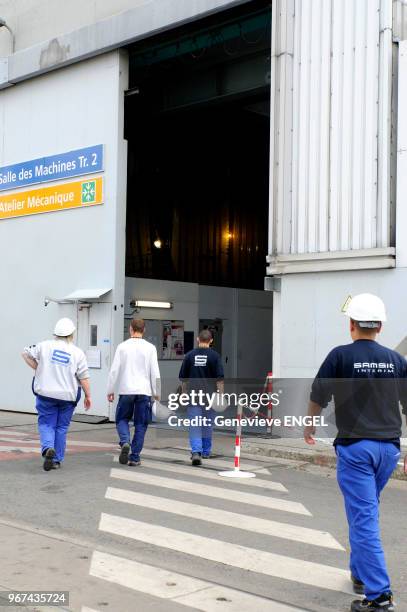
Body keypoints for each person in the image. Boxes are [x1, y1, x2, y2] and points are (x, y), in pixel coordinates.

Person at [304, 294, 407, 612]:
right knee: (365, 511)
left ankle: (379, 596)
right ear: (380, 326)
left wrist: (309, 426)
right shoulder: (396, 360)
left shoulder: (340, 356)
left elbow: (318, 393)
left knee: (364, 518)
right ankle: (360, 573)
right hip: (388, 449)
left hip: (356, 449)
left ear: (351, 325)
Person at [22, 318, 91, 471]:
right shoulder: (77, 353)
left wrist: (38, 368)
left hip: (46, 394)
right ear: (71, 334)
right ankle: (56, 460)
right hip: (68, 397)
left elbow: (25, 353)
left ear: (56, 333)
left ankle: (47, 449)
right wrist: (88, 396)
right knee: (61, 427)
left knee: (46, 424)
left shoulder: (43, 346)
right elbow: (84, 377)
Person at [107, 318, 160, 467]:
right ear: (144, 330)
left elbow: (114, 370)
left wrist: (110, 390)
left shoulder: (122, 347)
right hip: (144, 392)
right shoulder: (150, 348)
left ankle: (125, 442)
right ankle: (134, 457)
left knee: (122, 419)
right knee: (141, 424)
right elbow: (155, 372)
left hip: (126, 390)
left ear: (130, 329)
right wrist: (157, 392)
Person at [179, 329, 224, 466]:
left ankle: (196, 452)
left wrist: (184, 393)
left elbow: (184, 379)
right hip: (210, 397)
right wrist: (220, 396)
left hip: (194, 397)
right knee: (207, 424)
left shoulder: (189, 355)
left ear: (198, 339)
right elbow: (220, 380)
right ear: (211, 341)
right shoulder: (215, 356)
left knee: (195, 425)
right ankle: (206, 451)